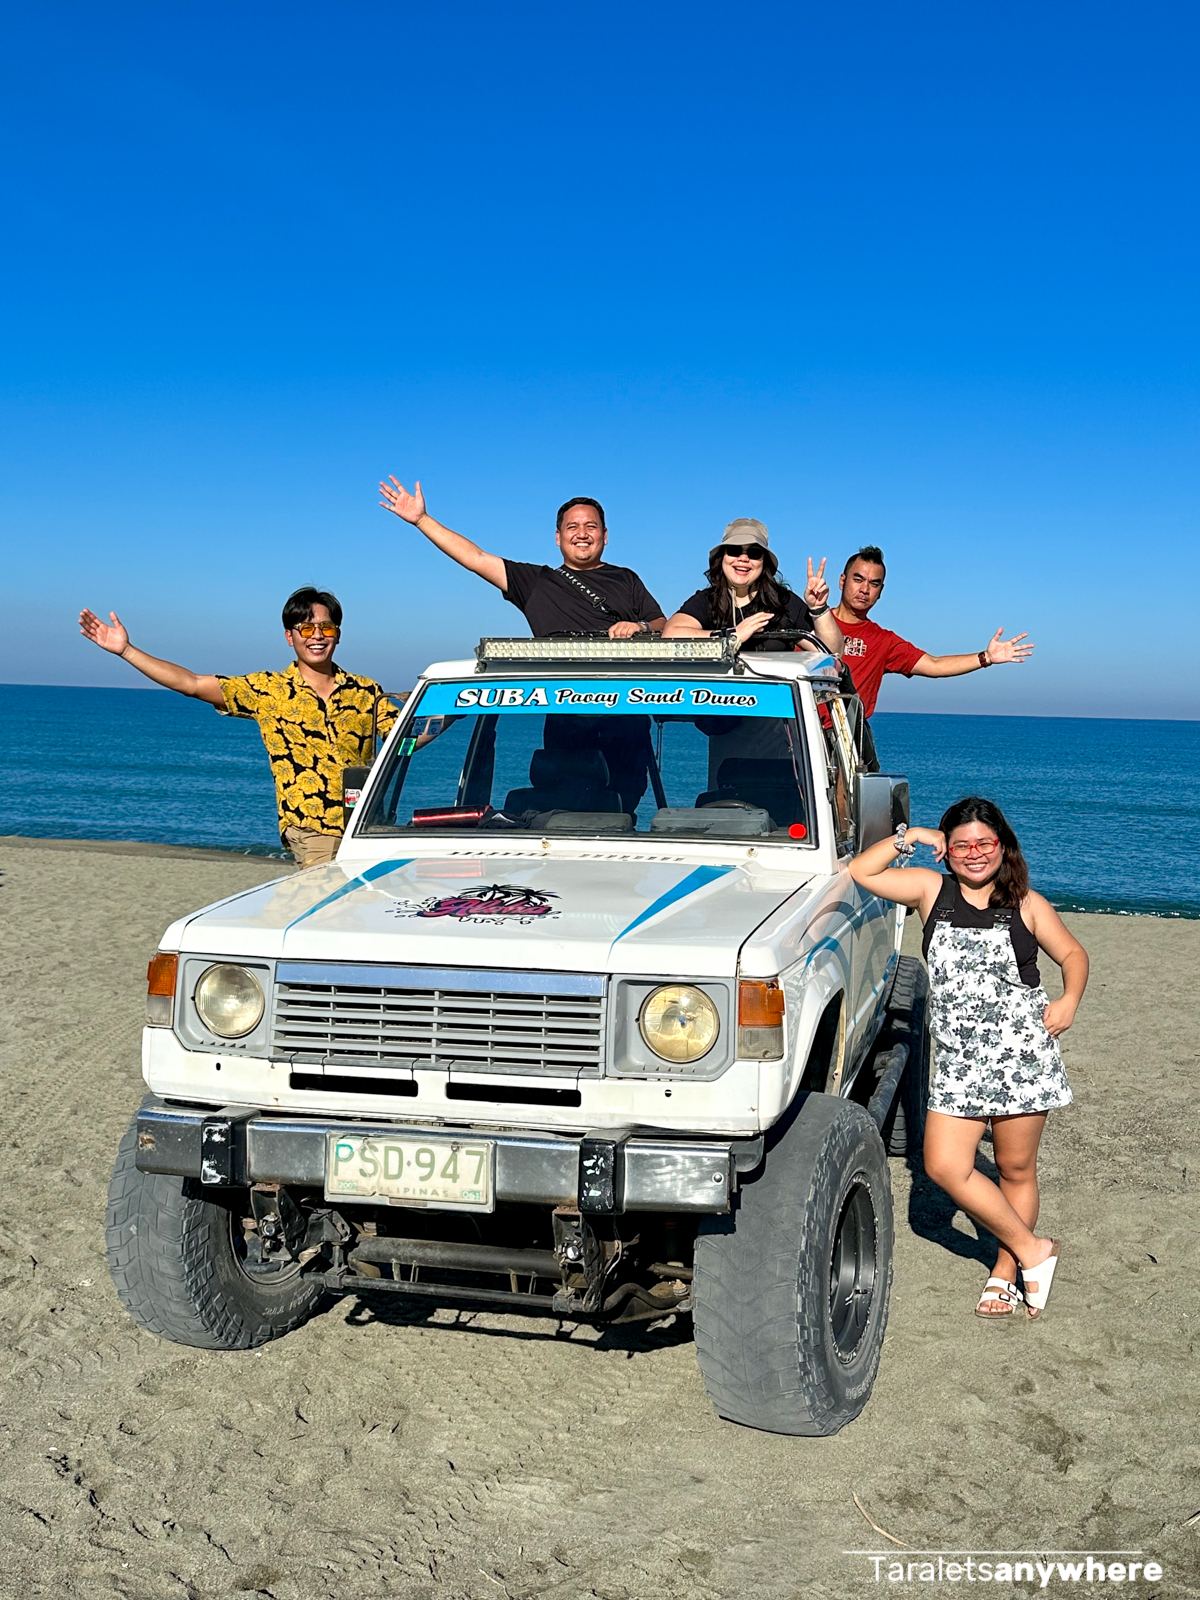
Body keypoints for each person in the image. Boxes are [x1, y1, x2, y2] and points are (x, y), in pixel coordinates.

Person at [848, 796, 1089, 1320]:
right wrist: (916, 837)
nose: (974, 854)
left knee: (1015, 1167)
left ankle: (1005, 1272)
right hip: (958, 1062)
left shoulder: (1029, 904)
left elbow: (1073, 954)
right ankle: (1033, 1250)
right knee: (943, 1165)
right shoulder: (930, 890)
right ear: (949, 850)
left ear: (1002, 846)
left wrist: (1069, 999)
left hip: (1022, 1056)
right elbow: (861, 871)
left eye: (984, 843)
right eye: (962, 845)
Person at [78, 587, 398, 867]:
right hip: (313, 829)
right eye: (305, 628)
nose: (316, 636)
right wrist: (126, 651)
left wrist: (445, 709)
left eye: (326, 628)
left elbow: (406, 736)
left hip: (368, 825)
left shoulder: (366, 690)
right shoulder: (268, 690)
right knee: (330, 914)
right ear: (289, 636)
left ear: (338, 634)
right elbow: (191, 683)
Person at [379, 480, 667, 639]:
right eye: (572, 527)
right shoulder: (535, 582)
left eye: (590, 527)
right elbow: (475, 557)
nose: (582, 534)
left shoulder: (626, 578)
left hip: (626, 708)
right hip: (563, 710)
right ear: (558, 537)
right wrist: (422, 520)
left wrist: (639, 627)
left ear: (605, 535)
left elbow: (662, 624)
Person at [833, 546, 1034, 718]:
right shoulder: (811, 622)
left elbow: (934, 665)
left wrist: (987, 657)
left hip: (846, 743)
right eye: (858, 579)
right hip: (803, 736)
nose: (865, 589)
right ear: (843, 581)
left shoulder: (883, 640)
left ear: (880, 592)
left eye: (874, 583)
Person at [662, 519, 845, 656]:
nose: (743, 559)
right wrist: (733, 636)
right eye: (734, 550)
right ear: (722, 558)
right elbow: (670, 635)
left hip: (772, 704)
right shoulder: (706, 600)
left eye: (754, 553)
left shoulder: (784, 602)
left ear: (764, 562)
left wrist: (818, 608)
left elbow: (833, 653)